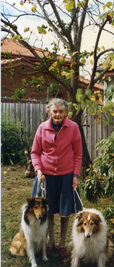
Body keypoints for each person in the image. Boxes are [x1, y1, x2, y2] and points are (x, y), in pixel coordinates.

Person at [31, 98, 83, 258]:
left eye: (61, 111)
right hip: (46, 177)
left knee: (65, 211)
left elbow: (78, 153)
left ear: (66, 112)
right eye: (55, 111)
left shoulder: (73, 127)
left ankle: (61, 244)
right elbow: (35, 152)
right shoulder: (42, 128)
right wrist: (38, 170)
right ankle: (50, 243)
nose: (58, 114)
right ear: (49, 112)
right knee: (49, 210)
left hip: (66, 176)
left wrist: (75, 175)